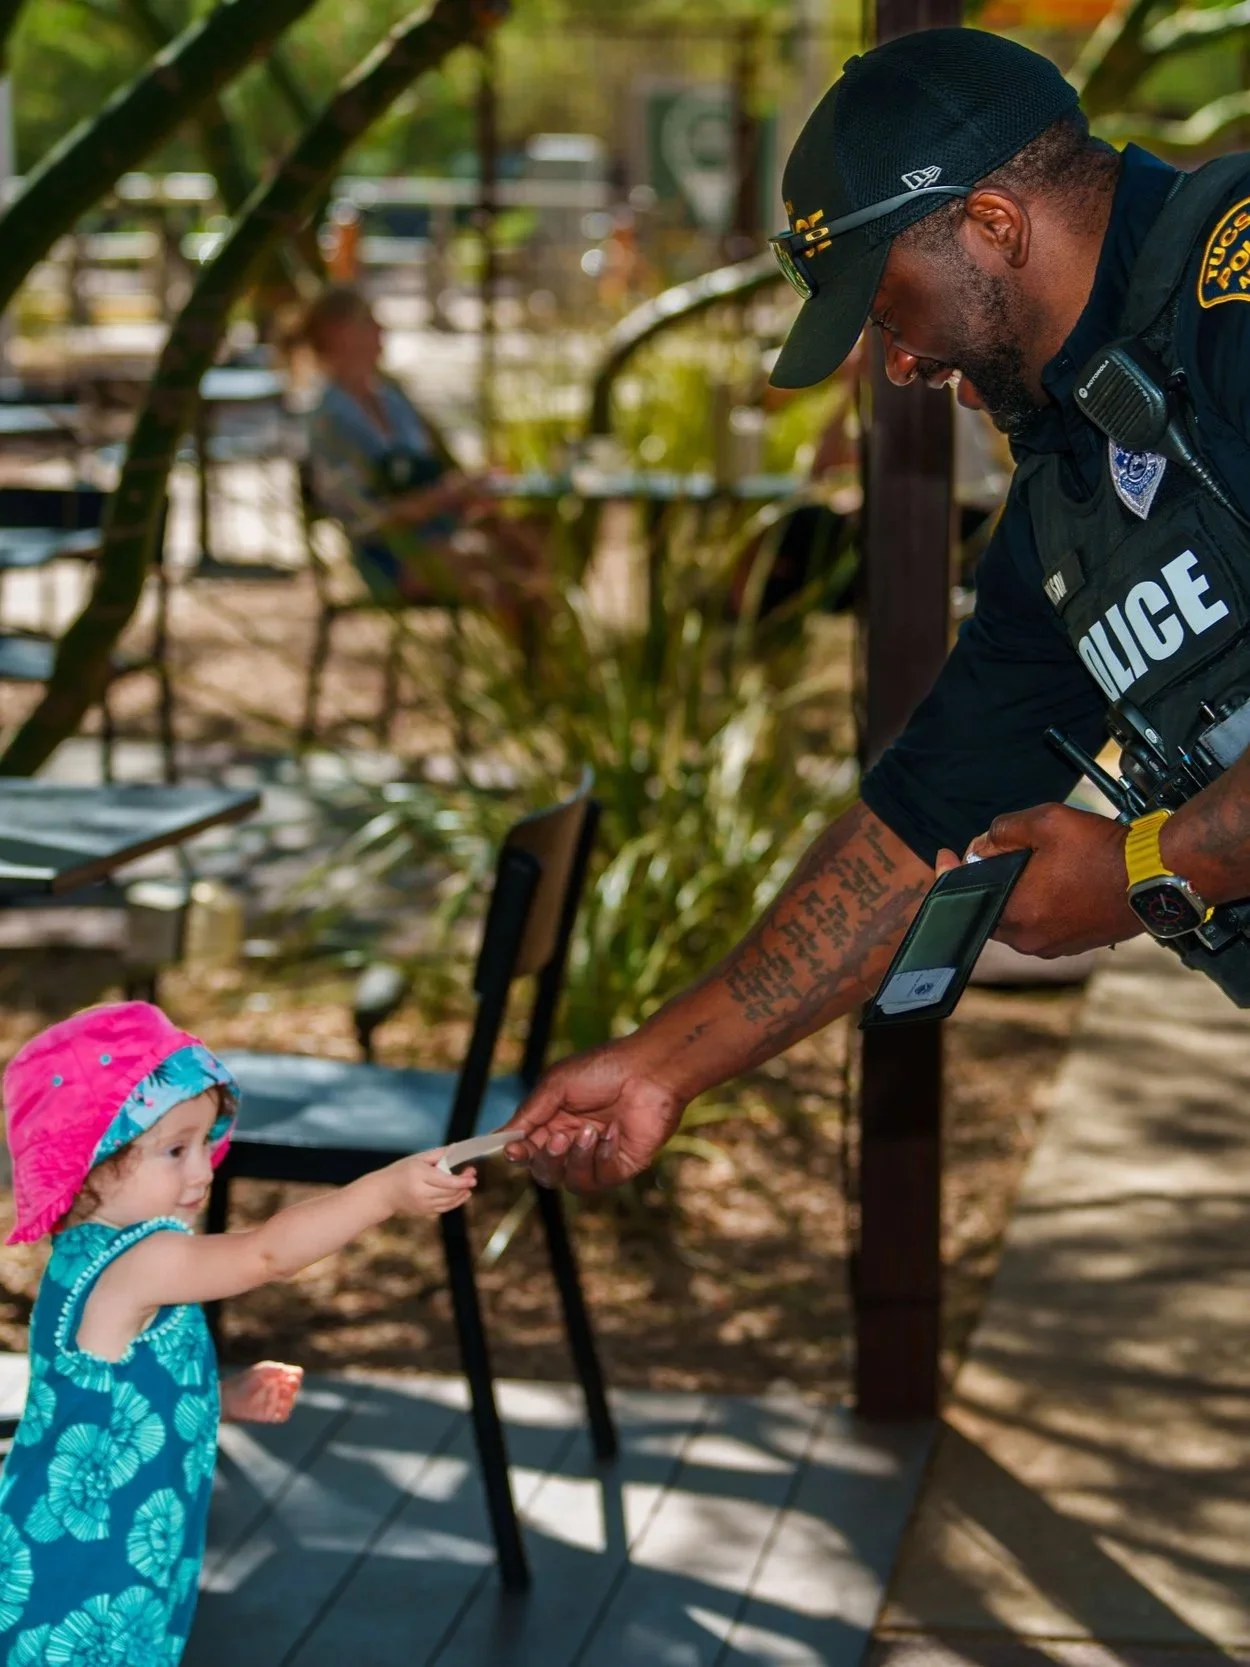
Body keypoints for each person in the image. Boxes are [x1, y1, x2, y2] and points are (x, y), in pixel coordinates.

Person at [505, 28, 1250, 1191]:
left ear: (992, 225)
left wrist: (1151, 867)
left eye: (885, 306)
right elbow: (916, 822)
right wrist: (661, 1064)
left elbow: (1150, 864)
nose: (893, 364)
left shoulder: (1233, 289)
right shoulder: (1068, 478)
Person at [0, 1001, 474, 1664]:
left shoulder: (98, 1255)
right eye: (174, 1149)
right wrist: (383, 1194)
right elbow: (267, 1254)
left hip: (89, 1550)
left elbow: (116, 1404)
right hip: (85, 1572)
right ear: (92, 1158)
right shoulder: (139, 1262)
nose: (204, 1169)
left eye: (204, 1141)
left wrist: (219, 1396)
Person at [299, 285, 546, 632]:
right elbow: (364, 517)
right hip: (389, 554)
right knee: (501, 574)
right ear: (337, 333)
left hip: (440, 535)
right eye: (369, 323)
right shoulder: (329, 418)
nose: (381, 331)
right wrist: (442, 497)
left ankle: (552, 669)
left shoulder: (394, 398)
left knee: (531, 543)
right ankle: (543, 677)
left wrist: (470, 492)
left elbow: (434, 471)